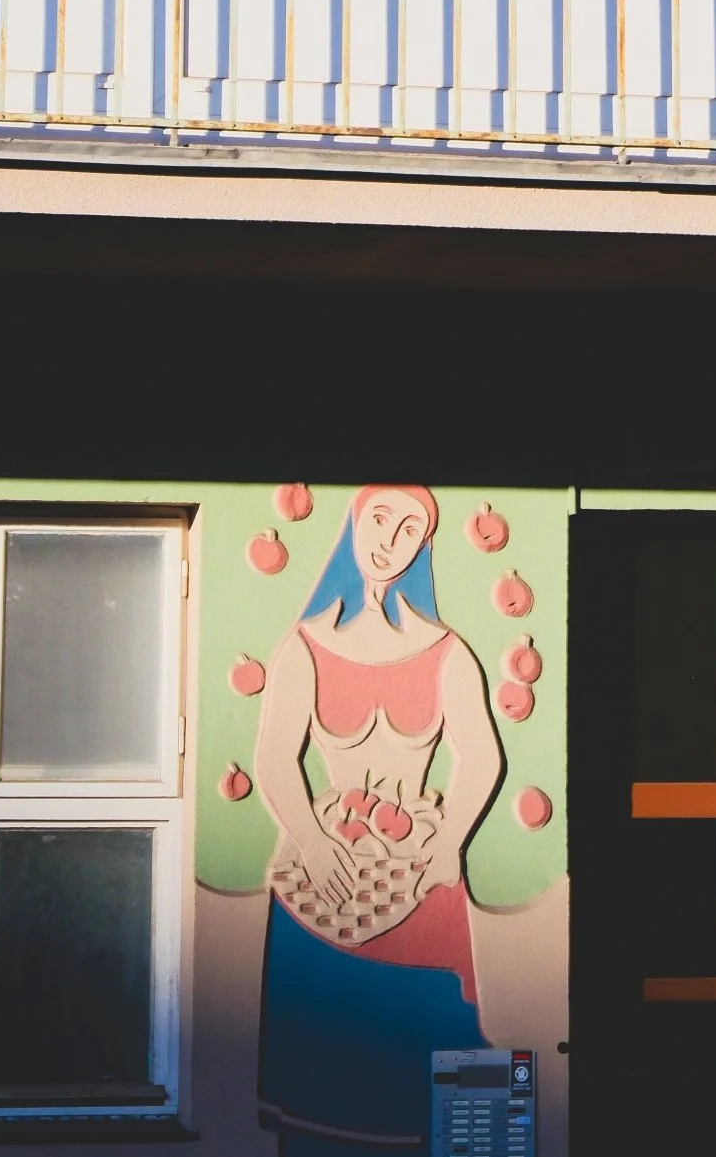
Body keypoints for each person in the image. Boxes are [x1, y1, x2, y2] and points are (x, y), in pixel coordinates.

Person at [254, 485, 504, 1147]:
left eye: (409, 526)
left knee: (457, 1089)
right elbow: (274, 755)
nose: (389, 538)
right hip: (325, 872)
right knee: (317, 1076)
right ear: (353, 523)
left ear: (424, 545)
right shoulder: (304, 647)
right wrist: (308, 837)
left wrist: (449, 839)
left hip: (420, 869)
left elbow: (479, 755)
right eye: (379, 518)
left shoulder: (448, 651)